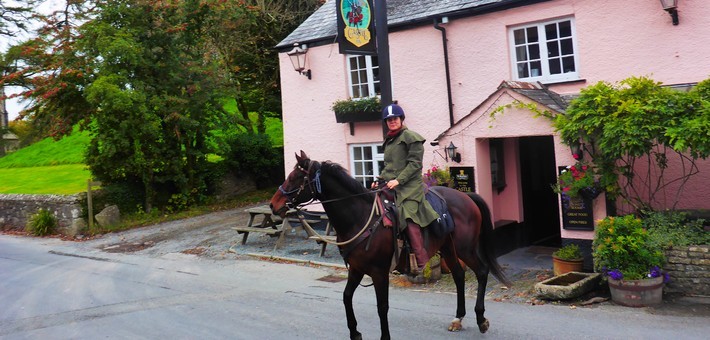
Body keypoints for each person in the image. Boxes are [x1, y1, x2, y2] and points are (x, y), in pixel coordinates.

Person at [372, 102, 439, 275]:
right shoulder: (390, 140)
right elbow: (389, 166)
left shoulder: (411, 137)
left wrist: (399, 180)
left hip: (410, 186)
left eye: (395, 119)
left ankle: (423, 261)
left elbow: (415, 164)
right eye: (389, 120)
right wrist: (379, 180)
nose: (392, 122)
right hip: (392, 184)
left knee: (407, 217)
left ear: (401, 119)